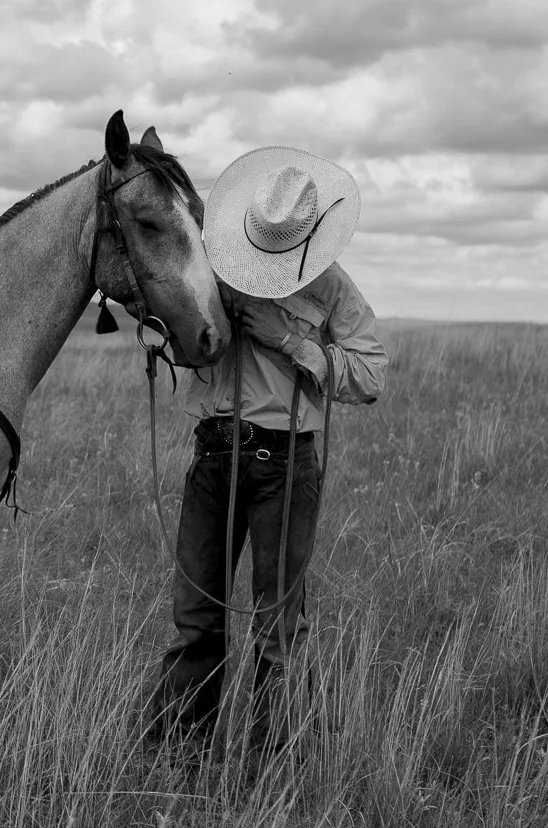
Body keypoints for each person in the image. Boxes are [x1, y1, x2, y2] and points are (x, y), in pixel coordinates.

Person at [147, 146, 388, 753]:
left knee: (278, 629)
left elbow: (370, 375)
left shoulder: (331, 287)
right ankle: (180, 757)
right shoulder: (213, 266)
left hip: (285, 463)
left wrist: (289, 343)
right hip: (211, 454)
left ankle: (266, 767)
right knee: (195, 618)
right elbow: (187, 342)